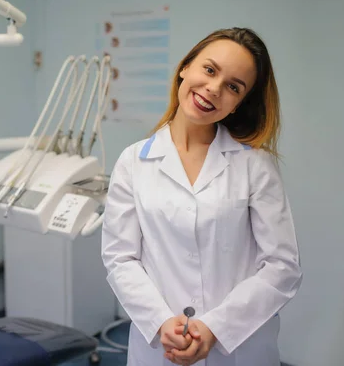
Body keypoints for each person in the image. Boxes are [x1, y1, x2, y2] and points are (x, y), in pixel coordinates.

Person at [101, 27, 302, 366]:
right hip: (158, 347)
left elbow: (283, 267)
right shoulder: (134, 161)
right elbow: (120, 259)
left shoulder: (255, 165)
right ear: (186, 67)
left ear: (240, 102)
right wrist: (160, 321)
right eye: (209, 70)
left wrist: (215, 328)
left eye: (233, 87)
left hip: (239, 350)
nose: (213, 89)